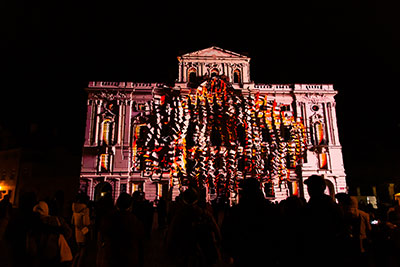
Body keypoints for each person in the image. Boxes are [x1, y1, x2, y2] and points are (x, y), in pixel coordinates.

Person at [222, 178, 278, 267]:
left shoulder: (236, 212)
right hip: (265, 254)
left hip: (243, 254)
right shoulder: (270, 209)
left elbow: (227, 234)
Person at [167, 187, 221, 267]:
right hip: (203, 249)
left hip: (184, 249)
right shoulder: (204, 214)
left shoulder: (179, 215)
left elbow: (171, 234)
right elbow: (217, 231)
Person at [303, 175, 345, 267]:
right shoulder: (330, 204)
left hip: (324, 248)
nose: (309, 190)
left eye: (312, 187)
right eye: (309, 187)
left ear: (321, 188)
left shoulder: (315, 206)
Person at [97, 193, 144, 267]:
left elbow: (101, 237)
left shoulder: (108, 218)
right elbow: (140, 242)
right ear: (130, 206)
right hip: (128, 258)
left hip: (111, 255)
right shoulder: (134, 220)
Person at [71, 193, 91, 267]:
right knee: (82, 253)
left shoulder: (74, 208)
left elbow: (72, 222)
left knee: (78, 252)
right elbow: (86, 222)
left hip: (77, 232)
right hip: (84, 233)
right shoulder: (85, 209)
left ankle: (73, 264)